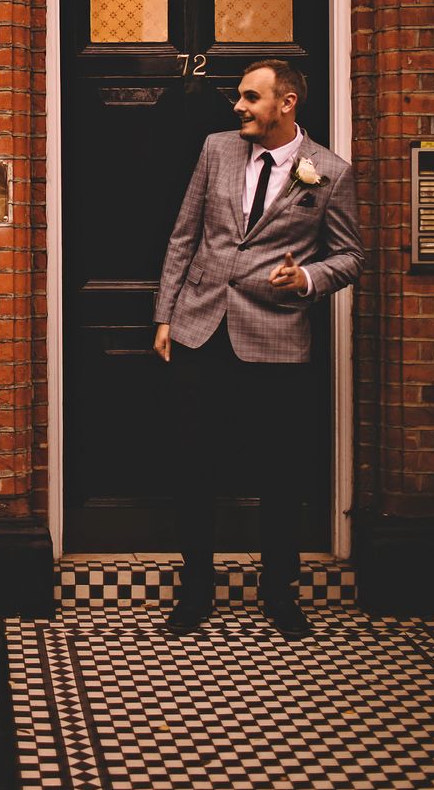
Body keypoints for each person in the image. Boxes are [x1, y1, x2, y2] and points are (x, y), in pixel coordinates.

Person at [153, 59, 363, 639]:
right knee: (194, 466)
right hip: (200, 329)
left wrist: (308, 281)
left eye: (250, 98)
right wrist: (165, 315)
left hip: (274, 336)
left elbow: (350, 256)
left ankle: (280, 592)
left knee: (280, 471)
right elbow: (184, 234)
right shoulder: (216, 150)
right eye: (240, 98)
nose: (238, 107)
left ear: (286, 102)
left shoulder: (329, 173)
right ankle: (195, 589)